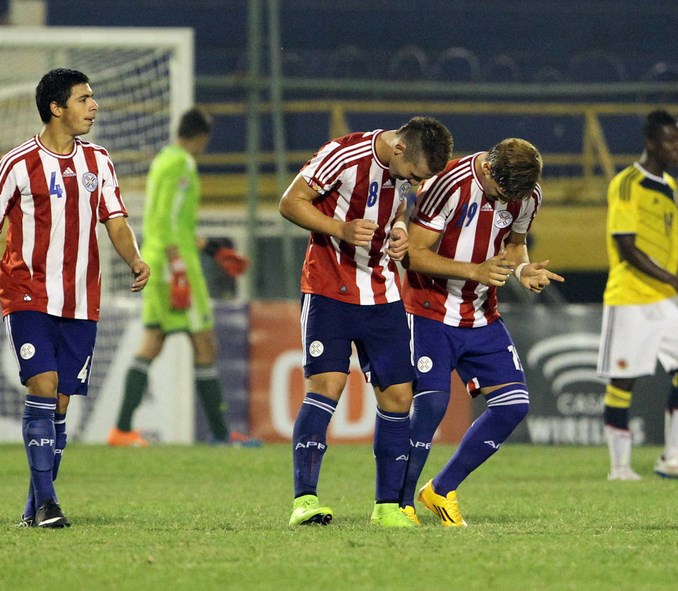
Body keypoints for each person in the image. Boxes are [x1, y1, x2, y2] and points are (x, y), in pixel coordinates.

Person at [0, 68, 150, 528]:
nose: (94, 106)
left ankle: (35, 508)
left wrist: (135, 259)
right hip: (26, 292)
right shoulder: (15, 163)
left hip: (81, 299)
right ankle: (48, 505)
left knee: (62, 403)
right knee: (43, 385)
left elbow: (116, 221)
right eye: (84, 98)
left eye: (93, 98)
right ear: (56, 107)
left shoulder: (99, 162)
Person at [279, 116, 454, 527]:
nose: (412, 182)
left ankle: (387, 507)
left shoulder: (402, 175)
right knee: (327, 387)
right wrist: (338, 227)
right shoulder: (342, 154)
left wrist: (398, 229)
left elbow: (399, 205)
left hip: (382, 293)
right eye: (413, 173)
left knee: (398, 396)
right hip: (328, 289)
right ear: (399, 150)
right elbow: (290, 203)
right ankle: (304, 501)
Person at [400, 138, 563, 527]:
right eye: (504, 193)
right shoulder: (447, 183)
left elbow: (514, 246)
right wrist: (475, 271)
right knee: (431, 406)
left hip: (480, 313)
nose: (512, 201)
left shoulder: (527, 194)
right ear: (488, 169)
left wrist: (523, 272)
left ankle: (441, 488)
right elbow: (413, 254)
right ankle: (399, 502)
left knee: (513, 404)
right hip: (429, 310)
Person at [107, 106, 259, 448]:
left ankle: (121, 429)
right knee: (204, 342)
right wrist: (178, 266)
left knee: (154, 341)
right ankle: (221, 435)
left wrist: (211, 250)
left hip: (158, 259)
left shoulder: (163, 160)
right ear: (202, 138)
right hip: (175, 265)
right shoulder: (183, 165)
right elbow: (168, 218)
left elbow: (169, 220)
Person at [596, 110, 678, 482]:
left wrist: (676, 283)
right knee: (623, 381)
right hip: (632, 297)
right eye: (670, 140)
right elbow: (626, 246)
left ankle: (673, 458)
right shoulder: (628, 183)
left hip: (667, 297)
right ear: (651, 142)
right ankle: (620, 468)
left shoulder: (669, 186)